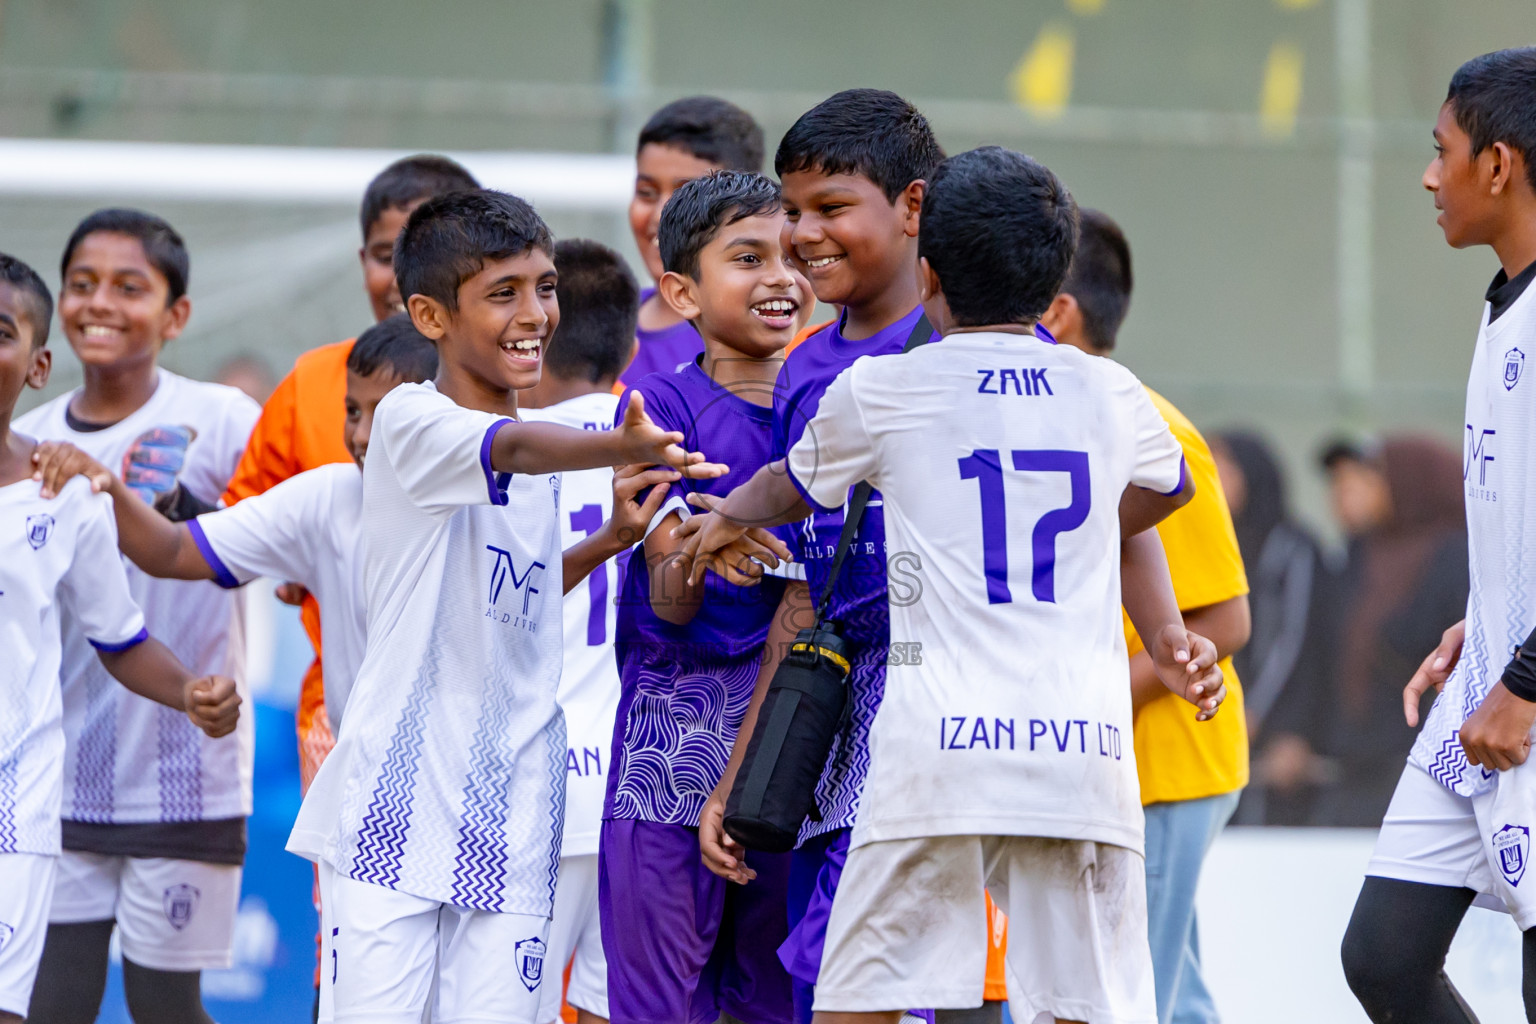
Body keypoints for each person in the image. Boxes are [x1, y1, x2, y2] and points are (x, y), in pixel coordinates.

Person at [677, 144, 1225, 1024]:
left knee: (859, 999)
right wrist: (1128, 592)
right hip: (1079, 751)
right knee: (1090, 1008)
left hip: (939, 749)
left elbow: (790, 483)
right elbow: (1169, 489)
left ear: (928, 275)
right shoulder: (1111, 391)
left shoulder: (885, 387)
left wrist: (726, 515)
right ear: (1053, 291)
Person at [283, 188, 735, 1024]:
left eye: (546, 286)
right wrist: (619, 445)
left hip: (517, 808)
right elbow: (514, 447)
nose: (536, 313)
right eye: (504, 293)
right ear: (428, 314)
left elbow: (511, 597)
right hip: (395, 805)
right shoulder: (417, 421)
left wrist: (607, 542)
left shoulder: (530, 450)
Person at [693, 88, 946, 1024]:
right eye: (791, 209)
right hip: (833, 713)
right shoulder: (801, 367)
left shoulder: (977, 346)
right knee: (823, 983)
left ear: (913, 207)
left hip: (939, 705)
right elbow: (803, 590)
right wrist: (740, 774)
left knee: (880, 983)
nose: (804, 234)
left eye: (830, 208)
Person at [15, 210, 260, 1024]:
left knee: (165, 1007)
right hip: (56, 777)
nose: (100, 304)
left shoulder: (222, 419)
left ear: (176, 314)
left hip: (185, 777)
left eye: (130, 287)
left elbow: (274, 537)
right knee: (51, 1007)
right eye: (82, 285)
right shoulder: (28, 443)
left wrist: (163, 506)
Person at [1340, 47, 1536, 1023]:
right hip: (1484, 692)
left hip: (1525, 702)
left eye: (1442, 150)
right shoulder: (1508, 302)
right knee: (1384, 955)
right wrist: (1482, 623)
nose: (1428, 175)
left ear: (1499, 164)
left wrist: (1524, 680)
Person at [600, 169, 812, 1024]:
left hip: (791, 742)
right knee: (660, 1007)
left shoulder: (834, 407)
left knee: (772, 1000)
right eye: (748, 258)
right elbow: (672, 602)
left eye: (793, 257)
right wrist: (693, 547)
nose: (780, 278)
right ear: (681, 290)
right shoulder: (659, 410)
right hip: (674, 736)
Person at [30, 315, 439, 740]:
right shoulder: (324, 496)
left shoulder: (497, 496)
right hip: (356, 762)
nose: (363, 434)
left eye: (388, 413)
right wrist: (107, 484)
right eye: (353, 411)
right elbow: (175, 550)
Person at [1039, 208, 1251, 1024]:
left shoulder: (1149, 427)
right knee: (1167, 990)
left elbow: (1224, 621)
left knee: (1142, 993)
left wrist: (1081, 708)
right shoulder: (1051, 420)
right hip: (1109, 766)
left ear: (1056, 312)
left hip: (1161, 771)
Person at [224, 154, 480, 793]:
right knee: (345, 896)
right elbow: (246, 519)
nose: (398, 278)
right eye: (380, 254)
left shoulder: (520, 384)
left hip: (488, 721)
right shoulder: (314, 380)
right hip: (342, 715)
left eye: (422, 253)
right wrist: (294, 564)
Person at [518, 238, 642, 1024]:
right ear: (631, 347)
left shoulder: (507, 457)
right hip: (639, 792)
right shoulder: (666, 446)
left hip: (535, 784)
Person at [1318, 437, 1468, 828]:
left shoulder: (1455, 555)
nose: (1366, 489)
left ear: (1413, 482)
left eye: (1377, 476)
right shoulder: (1363, 551)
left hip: (1418, 755)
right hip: (1354, 755)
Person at [1212, 431, 1334, 826]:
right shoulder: (1209, 547)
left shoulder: (1291, 547)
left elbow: (1292, 643)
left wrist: (1252, 713)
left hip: (1278, 732)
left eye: (1225, 465)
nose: (1212, 476)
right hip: (1219, 723)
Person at [622, 95, 767, 387]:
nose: (661, 214)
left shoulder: (761, 334)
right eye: (646, 192)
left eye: (685, 195)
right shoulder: (598, 321)